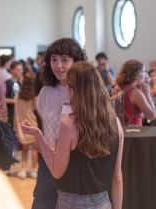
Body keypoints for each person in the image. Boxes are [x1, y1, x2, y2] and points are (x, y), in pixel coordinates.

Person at [22, 62, 124, 209]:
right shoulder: (115, 123)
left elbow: (56, 171)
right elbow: (117, 176)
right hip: (103, 202)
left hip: (72, 203)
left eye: (68, 86)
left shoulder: (69, 124)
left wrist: (38, 135)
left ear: (73, 90)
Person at [30, 38, 87, 209]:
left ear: (76, 62)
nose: (58, 65)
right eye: (54, 59)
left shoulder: (85, 92)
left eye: (64, 60)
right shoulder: (46, 92)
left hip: (76, 164)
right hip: (48, 163)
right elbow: (43, 127)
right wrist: (40, 144)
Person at [114, 59, 156, 126]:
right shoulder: (135, 93)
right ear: (136, 74)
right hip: (134, 131)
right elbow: (152, 116)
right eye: (143, 71)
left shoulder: (119, 87)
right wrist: (147, 93)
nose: (145, 75)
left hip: (121, 128)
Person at [14, 76, 38, 179]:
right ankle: (33, 171)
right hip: (33, 124)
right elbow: (37, 111)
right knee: (34, 149)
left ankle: (23, 170)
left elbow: (17, 113)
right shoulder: (34, 97)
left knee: (24, 149)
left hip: (22, 126)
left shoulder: (18, 96)